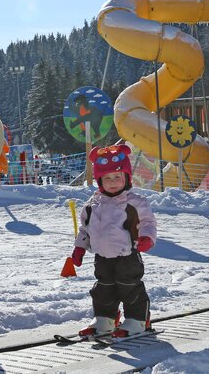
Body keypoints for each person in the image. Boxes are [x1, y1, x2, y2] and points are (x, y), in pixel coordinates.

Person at [70, 144, 157, 338]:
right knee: (103, 289)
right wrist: (79, 249)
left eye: (117, 177)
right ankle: (105, 318)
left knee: (129, 287)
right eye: (107, 178)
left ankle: (138, 320)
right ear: (100, 181)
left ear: (127, 177)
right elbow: (85, 229)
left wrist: (146, 237)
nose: (112, 182)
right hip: (102, 257)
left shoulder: (134, 202)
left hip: (127, 255)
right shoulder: (92, 205)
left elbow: (148, 222)